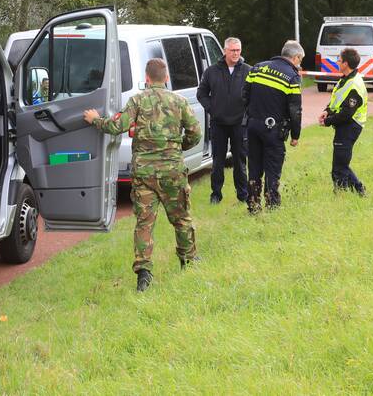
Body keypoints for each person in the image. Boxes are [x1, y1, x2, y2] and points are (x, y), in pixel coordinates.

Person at [84, 58, 202, 292]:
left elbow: (117, 127)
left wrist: (94, 120)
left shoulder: (137, 100)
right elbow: (195, 134)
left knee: (144, 223)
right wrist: (176, 149)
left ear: (147, 78)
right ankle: (189, 262)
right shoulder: (179, 101)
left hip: (144, 174)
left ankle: (144, 275)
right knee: (181, 218)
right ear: (166, 78)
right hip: (172, 172)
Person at [242, 40, 303, 213]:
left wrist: (252, 114)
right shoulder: (291, 76)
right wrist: (295, 135)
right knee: (272, 167)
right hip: (273, 130)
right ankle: (272, 205)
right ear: (295, 57)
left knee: (253, 166)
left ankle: (253, 205)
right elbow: (295, 110)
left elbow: (244, 95)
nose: (300, 64)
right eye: (300, 60)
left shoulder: (257, 67)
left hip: (252, 126)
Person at [197, 37, 251, 205]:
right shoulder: (212, 71)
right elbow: (202, 93)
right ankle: (216, 195)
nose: (236, 53)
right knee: (218, 161)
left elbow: (255, 95)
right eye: (232, 50)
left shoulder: (248, 71)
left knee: (240, 161)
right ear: (225, 51)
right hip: (218, 124)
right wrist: (212, 109)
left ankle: (243, 195)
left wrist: (248, 113)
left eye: (238, 50)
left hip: (239, 124)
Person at [318, 48, 368, 195]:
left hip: (350, 126)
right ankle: (359, 192)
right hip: (344, 125)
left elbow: (346, 114)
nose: (337, 62)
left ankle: (341, 196)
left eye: (339, 60)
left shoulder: (355, 84)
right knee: (341, 163)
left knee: (339, 166)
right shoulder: (345, 79)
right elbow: (337, 101)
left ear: (346, 63)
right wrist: (327, 111)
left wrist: (327, 122)